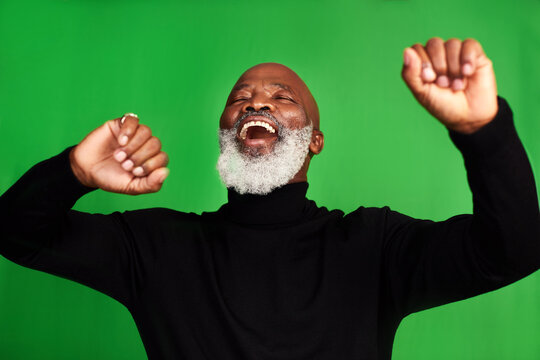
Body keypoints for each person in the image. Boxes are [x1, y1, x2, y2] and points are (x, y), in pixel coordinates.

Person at [1, 37, 539, 360]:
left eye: (283, 98)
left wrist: (483, 131)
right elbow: (15, 234)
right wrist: (72, 170)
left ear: (315, 139)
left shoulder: (373, 246)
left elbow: (513, 250)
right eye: (241, 97)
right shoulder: (157, 247)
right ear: (224, 129)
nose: (257, 101)